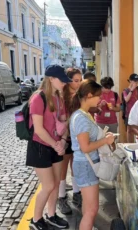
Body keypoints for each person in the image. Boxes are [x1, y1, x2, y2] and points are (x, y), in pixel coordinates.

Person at [26, 65, 71, 230]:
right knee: (49, 185)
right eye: (62, 80)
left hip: (56, 145)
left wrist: (64, 141)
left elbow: (64, 122)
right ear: (51, 79)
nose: (65, 84)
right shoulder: (38, 98)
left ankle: (51, 215)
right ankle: (36, 220)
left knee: (57, 182)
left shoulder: (59, 98)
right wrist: (56, 144)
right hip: (40, 147)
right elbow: (38, 130)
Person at [70, 80, 115, 230]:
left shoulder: (84, 114)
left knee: (88, 207)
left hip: (86, 164)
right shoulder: (81, 118)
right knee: (92, 209)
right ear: (89, 95)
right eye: (98, 96)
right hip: (86, 165)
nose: (100, 100)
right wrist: (105, 140)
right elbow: (85, 147)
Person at [58, 68, 82, 215]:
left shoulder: (79, 95)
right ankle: (61, 197)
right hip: (65, 137)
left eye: (80, 80)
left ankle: (77, 193)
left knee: (76, 164)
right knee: (63, 167)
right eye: (76, 80)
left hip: (77, 136)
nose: (79, 83)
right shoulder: (62, 97)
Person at [123, 73, 138, 142]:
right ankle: (130, 144)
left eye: (137, 81)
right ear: (130, 81)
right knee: (129, 130)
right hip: (129, 113)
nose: (136, 83)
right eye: (135, 81)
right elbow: (126, 99)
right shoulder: (126, 90)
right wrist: (132, 89)